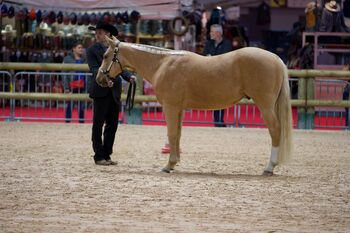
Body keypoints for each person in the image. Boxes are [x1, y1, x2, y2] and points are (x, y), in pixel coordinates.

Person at [87, 21, 136, 166]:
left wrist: (128, 77)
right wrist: (105, 79)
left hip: (114, 90)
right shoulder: (92, 50)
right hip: (100, 90)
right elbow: (95, 69)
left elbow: (120, 66)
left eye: (100, 33)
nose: (97, 35)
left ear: (108, 34)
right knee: (98, 125)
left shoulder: (116, 49)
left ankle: (107, 154)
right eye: (96, 33)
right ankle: (98, 155)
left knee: (112, 125)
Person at [203, 24, 233, 127]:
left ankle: (220, 121)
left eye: (212, 31)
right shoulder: (208, 43)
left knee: (221, 98)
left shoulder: (227, 44)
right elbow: (204, 56)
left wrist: (212, 58)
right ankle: (217, 121)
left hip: (223, 76)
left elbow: (226, 59)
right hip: (210, 76)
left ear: (219, 33)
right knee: (213, 98)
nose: (210, 33)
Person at [63, 42, 86, 123]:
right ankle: (67, 122)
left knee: (82, 106)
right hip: (71, 85)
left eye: (82, 48)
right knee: (70, 105)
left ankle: (81, 122)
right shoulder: (67, 59)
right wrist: (66, 88)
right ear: (74, 49)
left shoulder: (85, 59)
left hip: (83, 85)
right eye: (79, 47)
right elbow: (64, 74)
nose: (81, 49)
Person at [343, 61, 350, 128]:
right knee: (347, 109)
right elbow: (340, 75)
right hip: (347, 91)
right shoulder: (347, 67)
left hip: (347, 90)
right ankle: (347, 126)